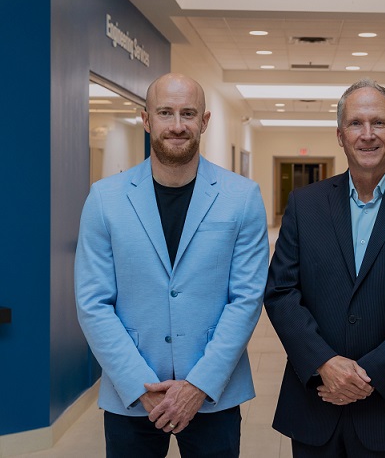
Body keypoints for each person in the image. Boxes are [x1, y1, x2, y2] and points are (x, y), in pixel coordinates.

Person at [75, 73, 269, 457]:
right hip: (132, 395)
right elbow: (93, 303)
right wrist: (138, 385)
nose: (177, 125)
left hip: (214, 392)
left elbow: (246, 298)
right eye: (165, 113)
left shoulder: (242, 197)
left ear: (204, 121)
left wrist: (198, 385)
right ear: (146, 120)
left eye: (188, 113)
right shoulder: (105, 199)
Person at [264, 78, 385, 457]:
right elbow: (281, 292)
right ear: (340, 135)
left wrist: (367, 375)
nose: (367, 135)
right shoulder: (305, 205)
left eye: (379, 123)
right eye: (356, 124)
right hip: (316, 405)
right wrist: (325, 363)